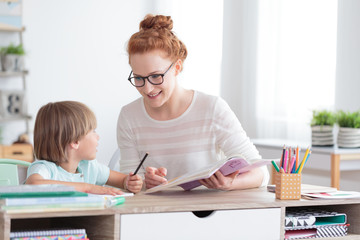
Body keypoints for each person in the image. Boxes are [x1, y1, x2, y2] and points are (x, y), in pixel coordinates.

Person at [117, 14, 269, 190]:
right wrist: (144, 184)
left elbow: (261, 174)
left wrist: (229, 183)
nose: (147, 88)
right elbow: (130, 183)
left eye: (156, 76)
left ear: (177, 68)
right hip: (157, 213)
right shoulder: (129, 116)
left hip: (208, 213)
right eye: (138, 78)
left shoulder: (212, 109)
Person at [26, 101, 143, 194]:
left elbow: (122, 180)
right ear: (75, 141)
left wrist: (129, 182)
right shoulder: (44, 168)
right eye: (93, 131)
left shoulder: (90, 167)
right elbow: (34, 185)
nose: (98, 136)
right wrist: (88, 188)